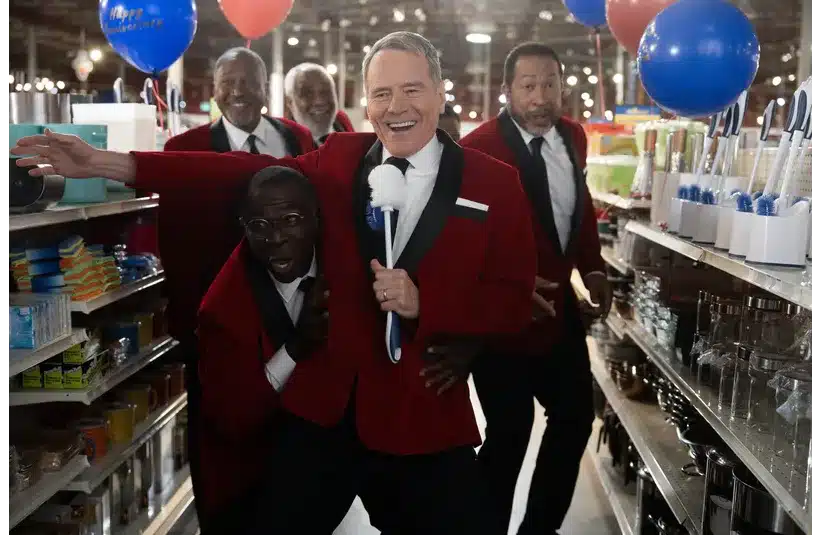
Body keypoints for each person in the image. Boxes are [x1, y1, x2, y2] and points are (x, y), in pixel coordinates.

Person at [13, 31, 537, 535]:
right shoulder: (339, 159)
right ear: (366, 101)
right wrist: (107, 163)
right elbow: (237, 173)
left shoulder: (495, 183)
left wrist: (427, 304)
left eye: (412, 89)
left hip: (421, 419)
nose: (395, 107)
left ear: (441, 92)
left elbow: (514, 302)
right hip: (324, 415)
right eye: (381, 93)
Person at [159, 46, 316, 530]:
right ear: (214, 89)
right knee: (220, 447)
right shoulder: (183, 150)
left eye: (249, 81)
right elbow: (174, 246)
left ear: (267, 87)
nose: (239, 91)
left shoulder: (297, 139)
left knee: (291, 444)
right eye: (228, 82)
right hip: (219, 326)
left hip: (292, 316)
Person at [460, 42, 612, 535]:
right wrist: (507, 289)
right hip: (504, 316)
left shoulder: (573, 136)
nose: (541, 97)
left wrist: (593, 268)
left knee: (575, 419)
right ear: (507, 91)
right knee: (510, 433)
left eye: (550, 84)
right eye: (529, 86)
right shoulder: (478, 148)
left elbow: (577, 208)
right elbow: (462, 242)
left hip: (558, 313)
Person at [196, 165, 335, 533]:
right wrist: (296, 347)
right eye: (259, 225)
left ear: (317, 218)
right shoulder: (221, 309)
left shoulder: (348, 264)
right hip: (258, 462)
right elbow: (232, 418)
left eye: (290, 220)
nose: (275, 238)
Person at [284, 62, 357, 142]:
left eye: (326, 91)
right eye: (307, 93)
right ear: (290, 102)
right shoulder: (282, 143)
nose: (319, 101)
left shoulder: (341, 122)